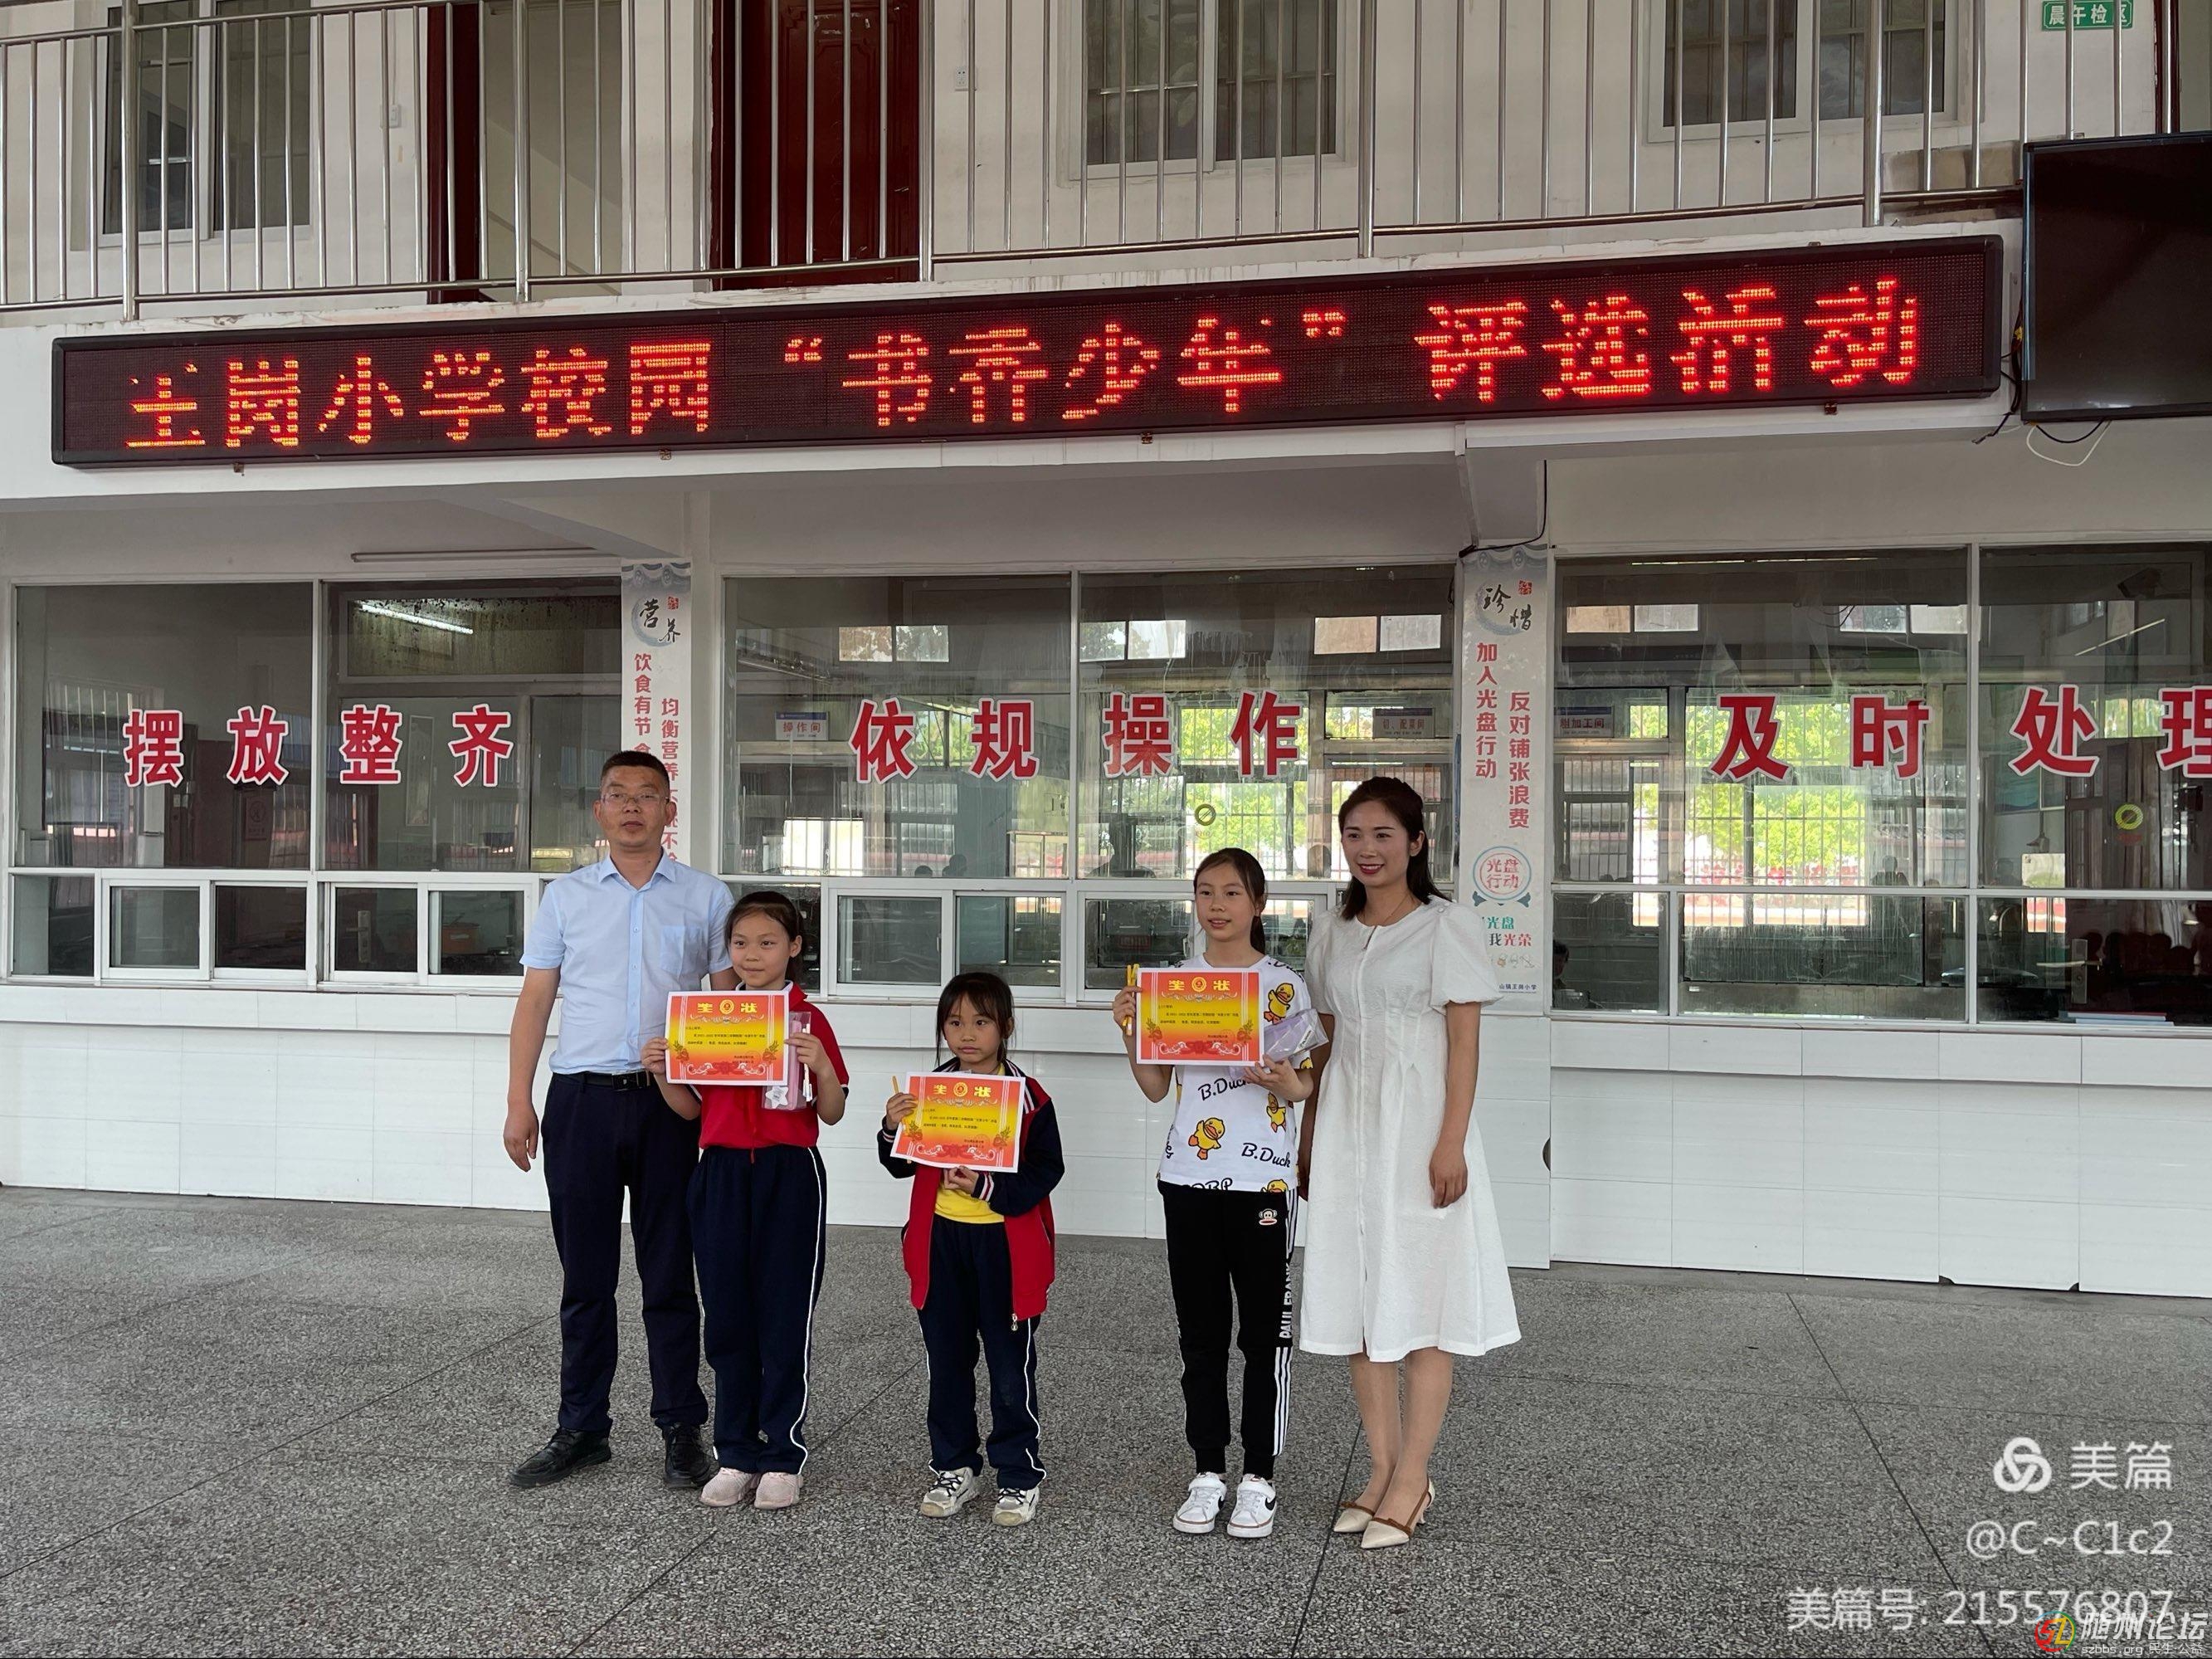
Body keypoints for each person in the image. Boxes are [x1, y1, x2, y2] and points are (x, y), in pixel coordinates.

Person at [502, 750, 736, 1492]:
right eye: (618, 794)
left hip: (672, 1105)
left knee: (671, 1273)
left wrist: (729, 1108)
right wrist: (519, 1100)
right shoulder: (566, 896)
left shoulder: (706, 896)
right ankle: (582, 1427)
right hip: (581, 1101)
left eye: (647, 794)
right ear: (598, 810)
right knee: (586, 1277)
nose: (632, 806)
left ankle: (681, 1428)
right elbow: (535, 1001)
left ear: (671, 810)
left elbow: (731, 1005)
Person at [1299, 776, 1520, 1551]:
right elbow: (1323, 1044)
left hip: (1421, 1130)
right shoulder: (1332, 931)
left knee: (1424, 1306)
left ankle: (1414, 1474)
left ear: (1417, 842)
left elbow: (1464, 1044)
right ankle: (1382, 1469)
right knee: (1362, 1305)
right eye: (1354, 834)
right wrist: (1309, 1135)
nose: (1367, 849)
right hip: (1349, 1129)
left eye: (1383, 834)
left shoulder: (1446, 926)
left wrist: (1450, 1140)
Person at [1113, 847, 1318, 1540]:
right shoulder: (1173, 985)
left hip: (1264, 1181)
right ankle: (1207, 1469)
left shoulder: (1283, 984)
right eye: (1205, 892)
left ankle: (1258, 1476)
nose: (1217, 904)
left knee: (1263, 1335)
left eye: (1232, 892)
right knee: (1200, 1336)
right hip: (1189, 1179)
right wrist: (1132, 1030)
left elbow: (1304, 1083)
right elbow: (1155, 1087)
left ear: (1258, 903)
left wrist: (1284, 1082)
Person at [642, 890, 849, 1511]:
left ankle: (783, 1453)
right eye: (739, 943)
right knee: (727, 1316)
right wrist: (663, 1073)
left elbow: (833, 1112)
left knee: (784, 1315)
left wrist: (821, 1068)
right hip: (721, 1173)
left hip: (790, 1173)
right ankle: (735, 1452)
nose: (751, 955)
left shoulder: (807, 1019)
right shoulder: (708, 1017)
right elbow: (691, 1111)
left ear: (794, 947)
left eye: (767, 942)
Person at [879, 972, 1064, 1528]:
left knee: (1010, 1365)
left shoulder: (1030, 1097)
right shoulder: (929, 1092)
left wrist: (987, 1188)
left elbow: (1046, 1169)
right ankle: (954, 1465)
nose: (966, 1033)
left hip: (1004, 1246)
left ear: (1006, 1027)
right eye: (955, 1022)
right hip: (940, 1241)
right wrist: (890, 1127)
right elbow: (899, 1165)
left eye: (981, 1021)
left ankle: (1018, 1473)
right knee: (947, 1360)